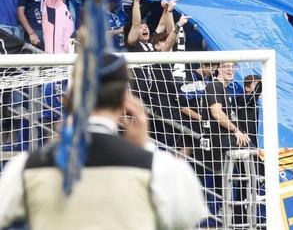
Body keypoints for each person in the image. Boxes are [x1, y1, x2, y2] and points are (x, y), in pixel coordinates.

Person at [0, 51, 207, 229]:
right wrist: (144, 147)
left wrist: (53, 145)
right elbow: (185, 217)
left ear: (69, 99)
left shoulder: (25, 168)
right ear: (126, 101)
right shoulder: (161, 168)